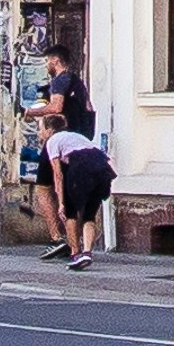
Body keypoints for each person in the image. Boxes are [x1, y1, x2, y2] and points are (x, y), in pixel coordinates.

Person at [41, 80, 111, 266]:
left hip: (81, 166)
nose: (41, 133)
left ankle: (75, 253)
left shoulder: (52, 142)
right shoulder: (76, 137)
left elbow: (58, 174)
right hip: (102, 166)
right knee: (89, 214)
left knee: (70, 212)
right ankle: (87, 252)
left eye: (41, 129)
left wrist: (61, 203)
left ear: (49, 130)